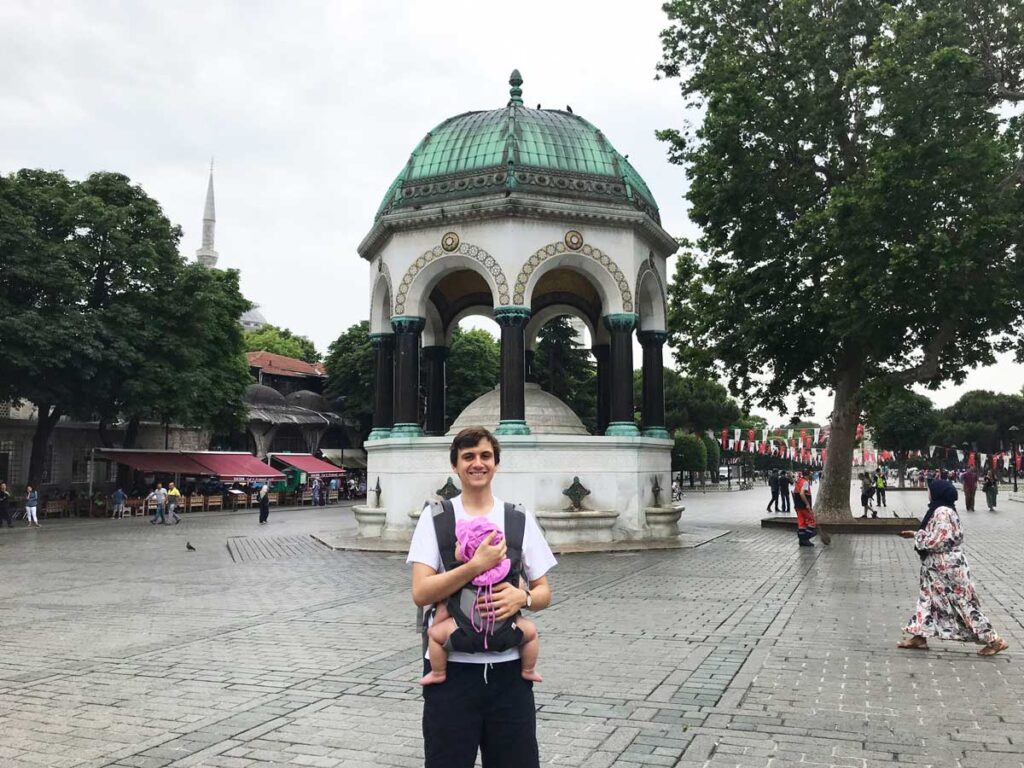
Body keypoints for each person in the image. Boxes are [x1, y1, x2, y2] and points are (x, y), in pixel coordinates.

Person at [407, 427, 556, 768]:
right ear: (455, 466)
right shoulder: (437, 520)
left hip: (509, 673)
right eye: (468, 457)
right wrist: (475, 566)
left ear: (497, 464)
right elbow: (421, 592)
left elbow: (545, 591)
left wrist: (524, 598)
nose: (478, 463)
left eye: (485, 456)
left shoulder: (517, 519)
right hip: (453, 672)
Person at [897, 479, 1007, 656]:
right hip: (936, 567)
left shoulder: (942, 512)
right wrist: (916, 534)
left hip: (946, 568)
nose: (929, 493)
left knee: (961, 603)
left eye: (930, 490)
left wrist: (918, 538)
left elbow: (940, 540)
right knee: (927, 599)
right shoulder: (943, 510)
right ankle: (919, 635)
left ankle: (994, 640)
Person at [793, 468, 830, 547]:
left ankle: (801, 540)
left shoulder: (798, 481)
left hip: (798, 506)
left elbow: (794, 493)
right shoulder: (805, 482)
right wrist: (807, 504)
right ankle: (805, 539)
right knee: (812, 522)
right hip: (804, 506)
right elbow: (802, 493)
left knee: (801, 523)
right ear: (808, 475)